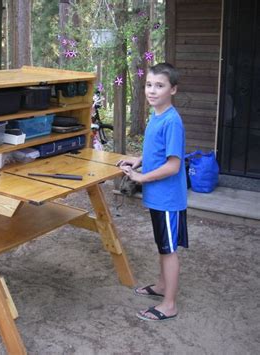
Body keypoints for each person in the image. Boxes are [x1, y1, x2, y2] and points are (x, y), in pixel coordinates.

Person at [117, 62, 188, 322]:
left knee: (169, 250)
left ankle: (169, 305)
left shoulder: (172, 121)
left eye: (160, 86)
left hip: (168, 199)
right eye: (149, 85)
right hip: (158, 198)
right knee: (162, 245)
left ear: (173, 90)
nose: (152, 91)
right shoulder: (156, 116)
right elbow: (157, 154)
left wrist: (142, 177)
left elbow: (173, 165)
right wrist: (138, 161)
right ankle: (160, 287)